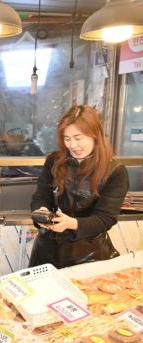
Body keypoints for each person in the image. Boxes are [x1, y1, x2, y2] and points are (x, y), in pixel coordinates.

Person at [29, 105, 129, 269]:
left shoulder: (115, 171)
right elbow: (41, 196)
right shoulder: (54, 161)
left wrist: (72, 223)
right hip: (46, 251)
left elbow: (105, 218)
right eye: (67, 139)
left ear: (94, 135)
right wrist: (41, 213)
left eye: (78, 137)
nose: (72, 145)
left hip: (89, 255)